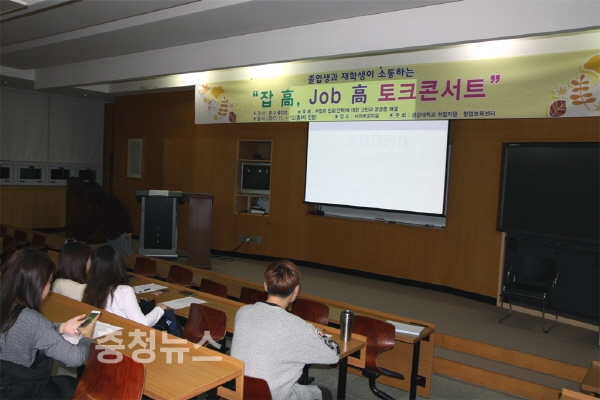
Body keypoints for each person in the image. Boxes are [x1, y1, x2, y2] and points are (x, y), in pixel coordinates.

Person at [230, 259, 339, 400]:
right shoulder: (298, 326)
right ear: (296, 290)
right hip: (273, 396)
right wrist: (319, 335)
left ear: (265, 286)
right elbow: (333, 356)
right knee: (325, 393)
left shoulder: (243, 312)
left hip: (238, 389)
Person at [0, 248, 98, 400]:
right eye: (49, 282)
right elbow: (75, 358)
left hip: (6, 382)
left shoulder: (7, 306)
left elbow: (20, 329)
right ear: (37, 286)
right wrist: (87, 337)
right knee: (76, 387)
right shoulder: (31, 320)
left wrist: (61, 327)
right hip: (19, 388)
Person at [82, 245, 166, 326]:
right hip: (122, 332)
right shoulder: (124, 291)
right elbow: (143, 323)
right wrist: (160, 308)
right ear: (119, 264)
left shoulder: (91, 287)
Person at [73, 180, 134, 257]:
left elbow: (124, 213)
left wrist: (129, 229)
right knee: (112, 256)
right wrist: (77, 237)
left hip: (121, 233)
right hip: (112, 235)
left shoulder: (107, 201)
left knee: (126, 255)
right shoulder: (98, 204)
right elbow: (90, 225)